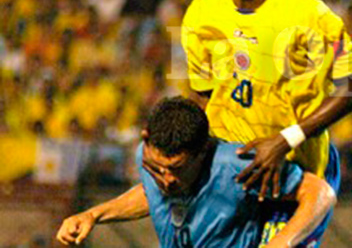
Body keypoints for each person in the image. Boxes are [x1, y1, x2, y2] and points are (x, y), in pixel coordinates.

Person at [180, 0, 352, 245]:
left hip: (297, 172)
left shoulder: (310, 14)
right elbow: (202, 95)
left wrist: (285, 140)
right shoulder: (202, 11)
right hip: (234, 172)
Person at [56, 96, 336, 247]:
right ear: (145, 139)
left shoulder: (235, 164)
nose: (165, 180)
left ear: (202, 152)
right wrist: (93, 214)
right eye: (157, 169)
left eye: (176, 170)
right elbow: (150, 194)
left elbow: (320, 193)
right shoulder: (149, 157)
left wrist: (281, 243)